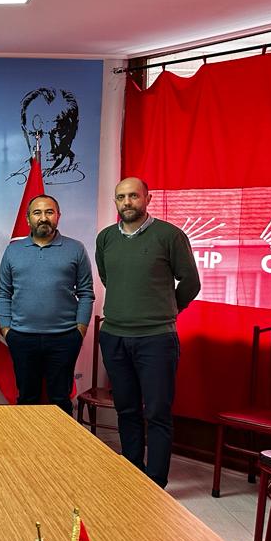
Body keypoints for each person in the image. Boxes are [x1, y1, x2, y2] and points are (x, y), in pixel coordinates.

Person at [95, 176, 201, 488]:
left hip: (156, 338)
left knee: (156, 412)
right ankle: (132, 471)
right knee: (126, 409)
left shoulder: (170, 236)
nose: (127, 202)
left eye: (133, 196)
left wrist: (167, 309)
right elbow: (108, 277)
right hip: (114, 336)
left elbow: (191, 282)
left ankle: (155, 482)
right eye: (121, 197)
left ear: (147, 199)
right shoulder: (105, 238)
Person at [0, 194, 94, 415]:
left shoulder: (75, 249)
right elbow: (3, 292)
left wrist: (79, 330)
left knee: (60, 399)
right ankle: (27, 439)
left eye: (49, 212)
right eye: (37, 213)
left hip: (64, 338)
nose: (43, 218)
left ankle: (61, 440)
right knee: (27, 398)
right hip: (22, 338)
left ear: (58, 216)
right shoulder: (13, 250)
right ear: (28, 218)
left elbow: (86, 293)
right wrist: (7, 329)